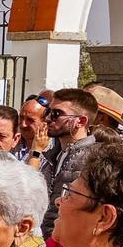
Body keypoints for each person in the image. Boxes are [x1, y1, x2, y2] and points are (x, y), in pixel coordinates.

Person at [38, 87, 100, 235]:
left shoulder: (95, 158)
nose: (48, 119)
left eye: (56, 114)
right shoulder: (52, 154)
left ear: (81, 121)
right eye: (48, 112)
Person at [17, 94, 51, 165]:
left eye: (30, 120)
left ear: (45, 122)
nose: (23, 124)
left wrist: (36, 152)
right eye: (21, 117)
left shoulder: (53, 152)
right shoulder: (12, 143)